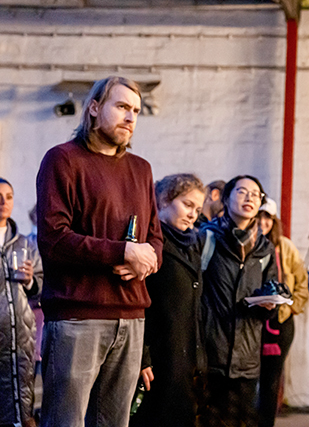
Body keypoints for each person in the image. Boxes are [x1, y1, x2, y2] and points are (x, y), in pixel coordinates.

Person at [36, 75, 162, 427]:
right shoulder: (63, 160)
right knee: (66, 422)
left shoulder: (141, 169)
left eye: (136, 110)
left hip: (132, 317)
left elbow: (155, 239)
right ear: (94, 108)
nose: (130, 117)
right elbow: (54, 239)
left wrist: (144, 261)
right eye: (121, 106)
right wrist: (123, 253)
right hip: (78, 317)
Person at [200, 175, 277, 427]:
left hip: (246, 359)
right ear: (226, 198)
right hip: (210, 356)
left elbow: (270, 293)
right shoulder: (207, 238)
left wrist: (269, 305)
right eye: (242, 192)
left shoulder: (265, 249)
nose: (249, 198)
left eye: (255, 194)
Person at [131, 174, 207, 427]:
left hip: (185, 359)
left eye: (198, 209)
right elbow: (136, 303)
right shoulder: (148, 245)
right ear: (164, 200)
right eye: (187, 205)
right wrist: (142, 357)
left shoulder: (192, 246)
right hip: (157, 359)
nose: (193, 214)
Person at [257, 198, 309, 427]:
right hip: (253, 322)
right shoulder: (248, 244)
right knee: (250, 379)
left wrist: (290, 308)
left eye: (267, 217)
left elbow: (302, 283)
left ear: (274, 221)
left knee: (271, 380)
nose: (262, 222)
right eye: (259, 217)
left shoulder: (285, 246)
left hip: (280, 322)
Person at [0, 178, 43, 427]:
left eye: (9, 197)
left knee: (23, 405)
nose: (3, 202)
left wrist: (29, 281)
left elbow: (42, 286)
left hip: (20, 335)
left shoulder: (25, 243)